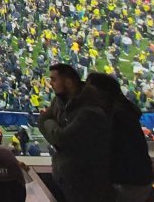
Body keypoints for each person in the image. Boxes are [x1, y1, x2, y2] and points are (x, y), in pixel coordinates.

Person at [38, 64, 114, 202]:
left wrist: (51, 126)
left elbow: (61, 138)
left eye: (54, 79)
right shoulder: (59, 100)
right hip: (65, 178)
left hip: (86, 185)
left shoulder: (91, 110)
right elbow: (42, 119)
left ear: (68, 82)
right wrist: (53, 127)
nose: (51, 84)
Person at [86, 72, 153, 202]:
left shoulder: (117, 116)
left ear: (101, 92)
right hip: (136, 180)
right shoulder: (122, 110)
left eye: (89, 90)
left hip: (128, 183)